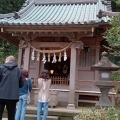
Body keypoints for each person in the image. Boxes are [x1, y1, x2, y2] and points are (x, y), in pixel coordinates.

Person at [0, 55, 23, 120]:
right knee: (11, 115)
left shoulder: (1, 68)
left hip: (1, 94)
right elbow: (21, 84)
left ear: (7, 60)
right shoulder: (18, 70)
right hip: (13, 96)